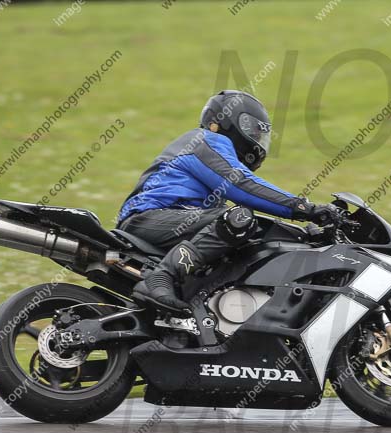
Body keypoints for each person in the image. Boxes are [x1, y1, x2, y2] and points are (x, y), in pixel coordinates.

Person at [117, 90, 340, 312]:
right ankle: (161, 277)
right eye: (252, 130)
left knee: (245, 233)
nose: (257, 140)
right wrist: (302, 208)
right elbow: (241, 184)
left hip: (176, 220)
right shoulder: (205, 140)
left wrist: (305, 234)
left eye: (260, 134)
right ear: (224, 121)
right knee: (239, 217)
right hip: (148, 218)